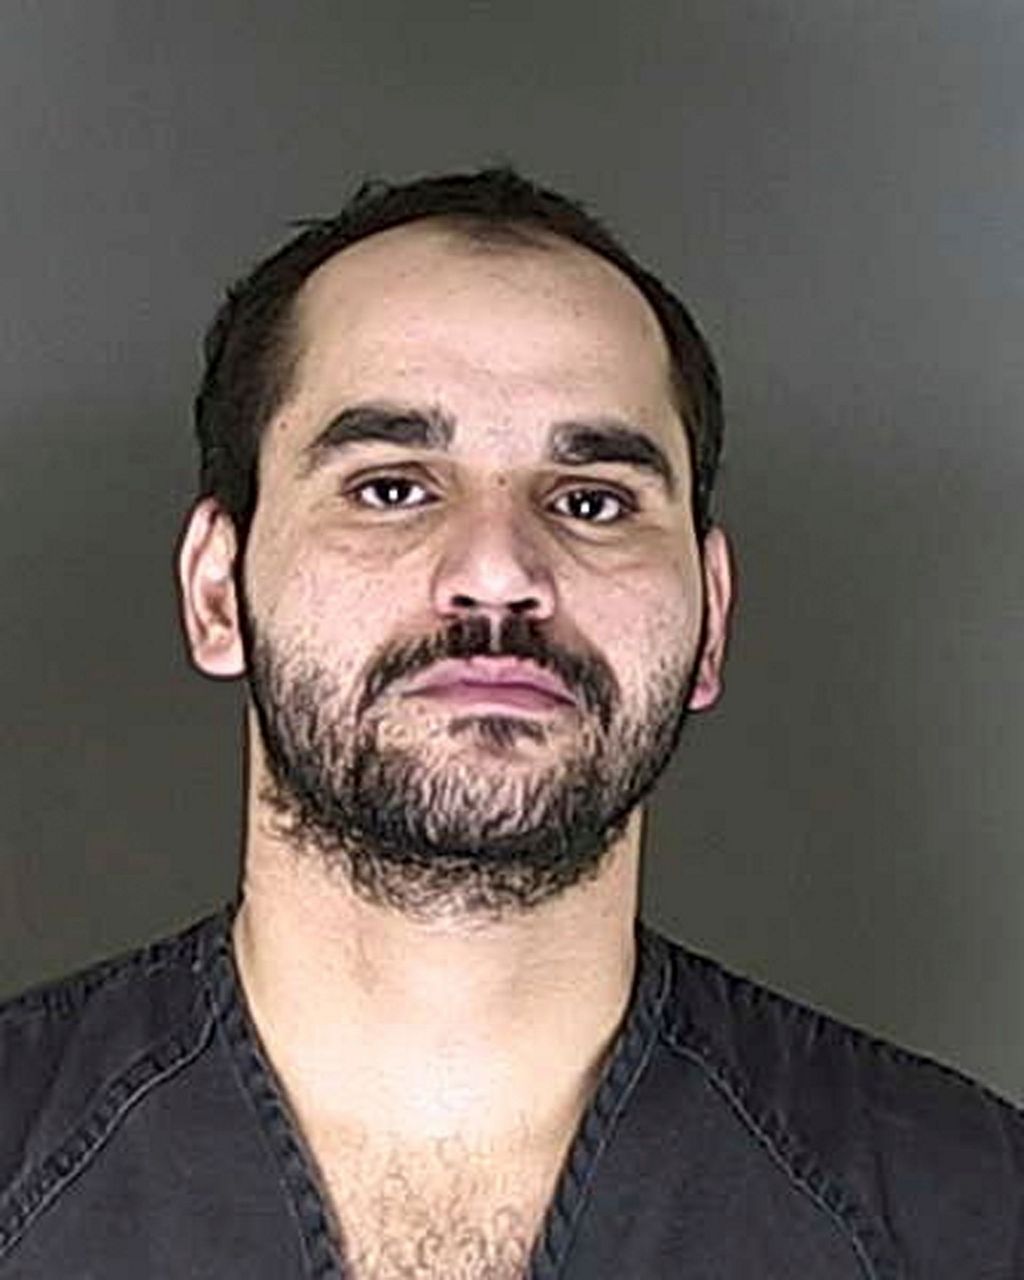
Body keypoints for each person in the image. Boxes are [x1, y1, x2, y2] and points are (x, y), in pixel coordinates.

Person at [0, 168, 1020, 1280]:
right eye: (391, 487)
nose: (498, 572)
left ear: (711, 619)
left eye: (592, 501)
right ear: (216, 591)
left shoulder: (969, 1214)